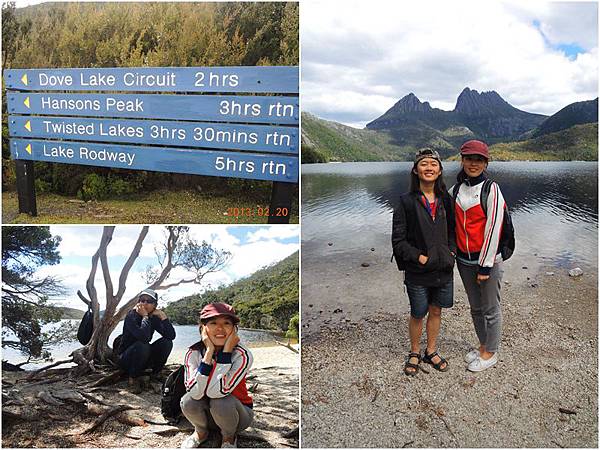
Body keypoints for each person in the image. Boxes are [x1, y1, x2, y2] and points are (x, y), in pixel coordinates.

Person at [392, 148, 456, 376]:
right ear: (415, 170)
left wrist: (451, 253)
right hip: (418, 270)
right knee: (418, 312)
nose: (429, 168)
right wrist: (419, 257)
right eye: (423, 164)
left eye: (433, 164)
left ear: (439, 171)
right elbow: (398, 241)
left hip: (443, 268)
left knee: (436, 310)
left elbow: (453, 233)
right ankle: (414, 352)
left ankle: (431, 350)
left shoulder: (446, 200)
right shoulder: (405, 202)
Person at [451, 140, 505, 372]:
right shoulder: (455, 190)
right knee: (475, 308)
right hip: (464, 261)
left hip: (488, 262)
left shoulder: (491, 189)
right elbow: (451, 227)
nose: (473, 163)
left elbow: (494, 227)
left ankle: (490, 352)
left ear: (486, 162)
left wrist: (485, 266)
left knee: (491, 308)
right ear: (462, 160)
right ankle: (483, 345)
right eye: (469, 158)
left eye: (479, 159)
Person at [180, 302, 253, 449]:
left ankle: (229, 438)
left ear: (234, 329)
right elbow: (194, 392)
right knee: (188, 400)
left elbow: (217, 392)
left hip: (236, 415)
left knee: (221, 401)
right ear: (203, 328)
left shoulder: (242, 355)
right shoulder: (193, 353)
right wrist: (208, 354)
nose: (220, 328)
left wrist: (226, 353)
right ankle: (200, 432)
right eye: (213, 323)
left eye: (227, 323)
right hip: (207, 413)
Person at [116, 288, 176, 393]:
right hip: (126, 359)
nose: (144, 303)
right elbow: (144, 337)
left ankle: (155, 374)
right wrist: (144, 316)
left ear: (155, 305)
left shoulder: (153, 317)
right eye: (142, 300)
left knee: (167, 342)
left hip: (143, 356)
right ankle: (133, 379)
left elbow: (170, 336)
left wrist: (164, 317)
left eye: (149, 301)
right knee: (142, 344)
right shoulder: (131, 316)